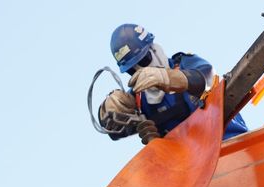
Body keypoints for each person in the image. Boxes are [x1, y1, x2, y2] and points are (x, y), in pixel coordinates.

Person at [98, 24, 247, 141]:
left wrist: (172, 78)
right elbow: (114, 131)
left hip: (230, 144)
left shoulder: (184, 64)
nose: (141, 70)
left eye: (144, 60)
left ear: (154, 49)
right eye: (132, 70)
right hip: (194, 170)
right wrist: (110, 111)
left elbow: (208, 77)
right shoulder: (139, 102)